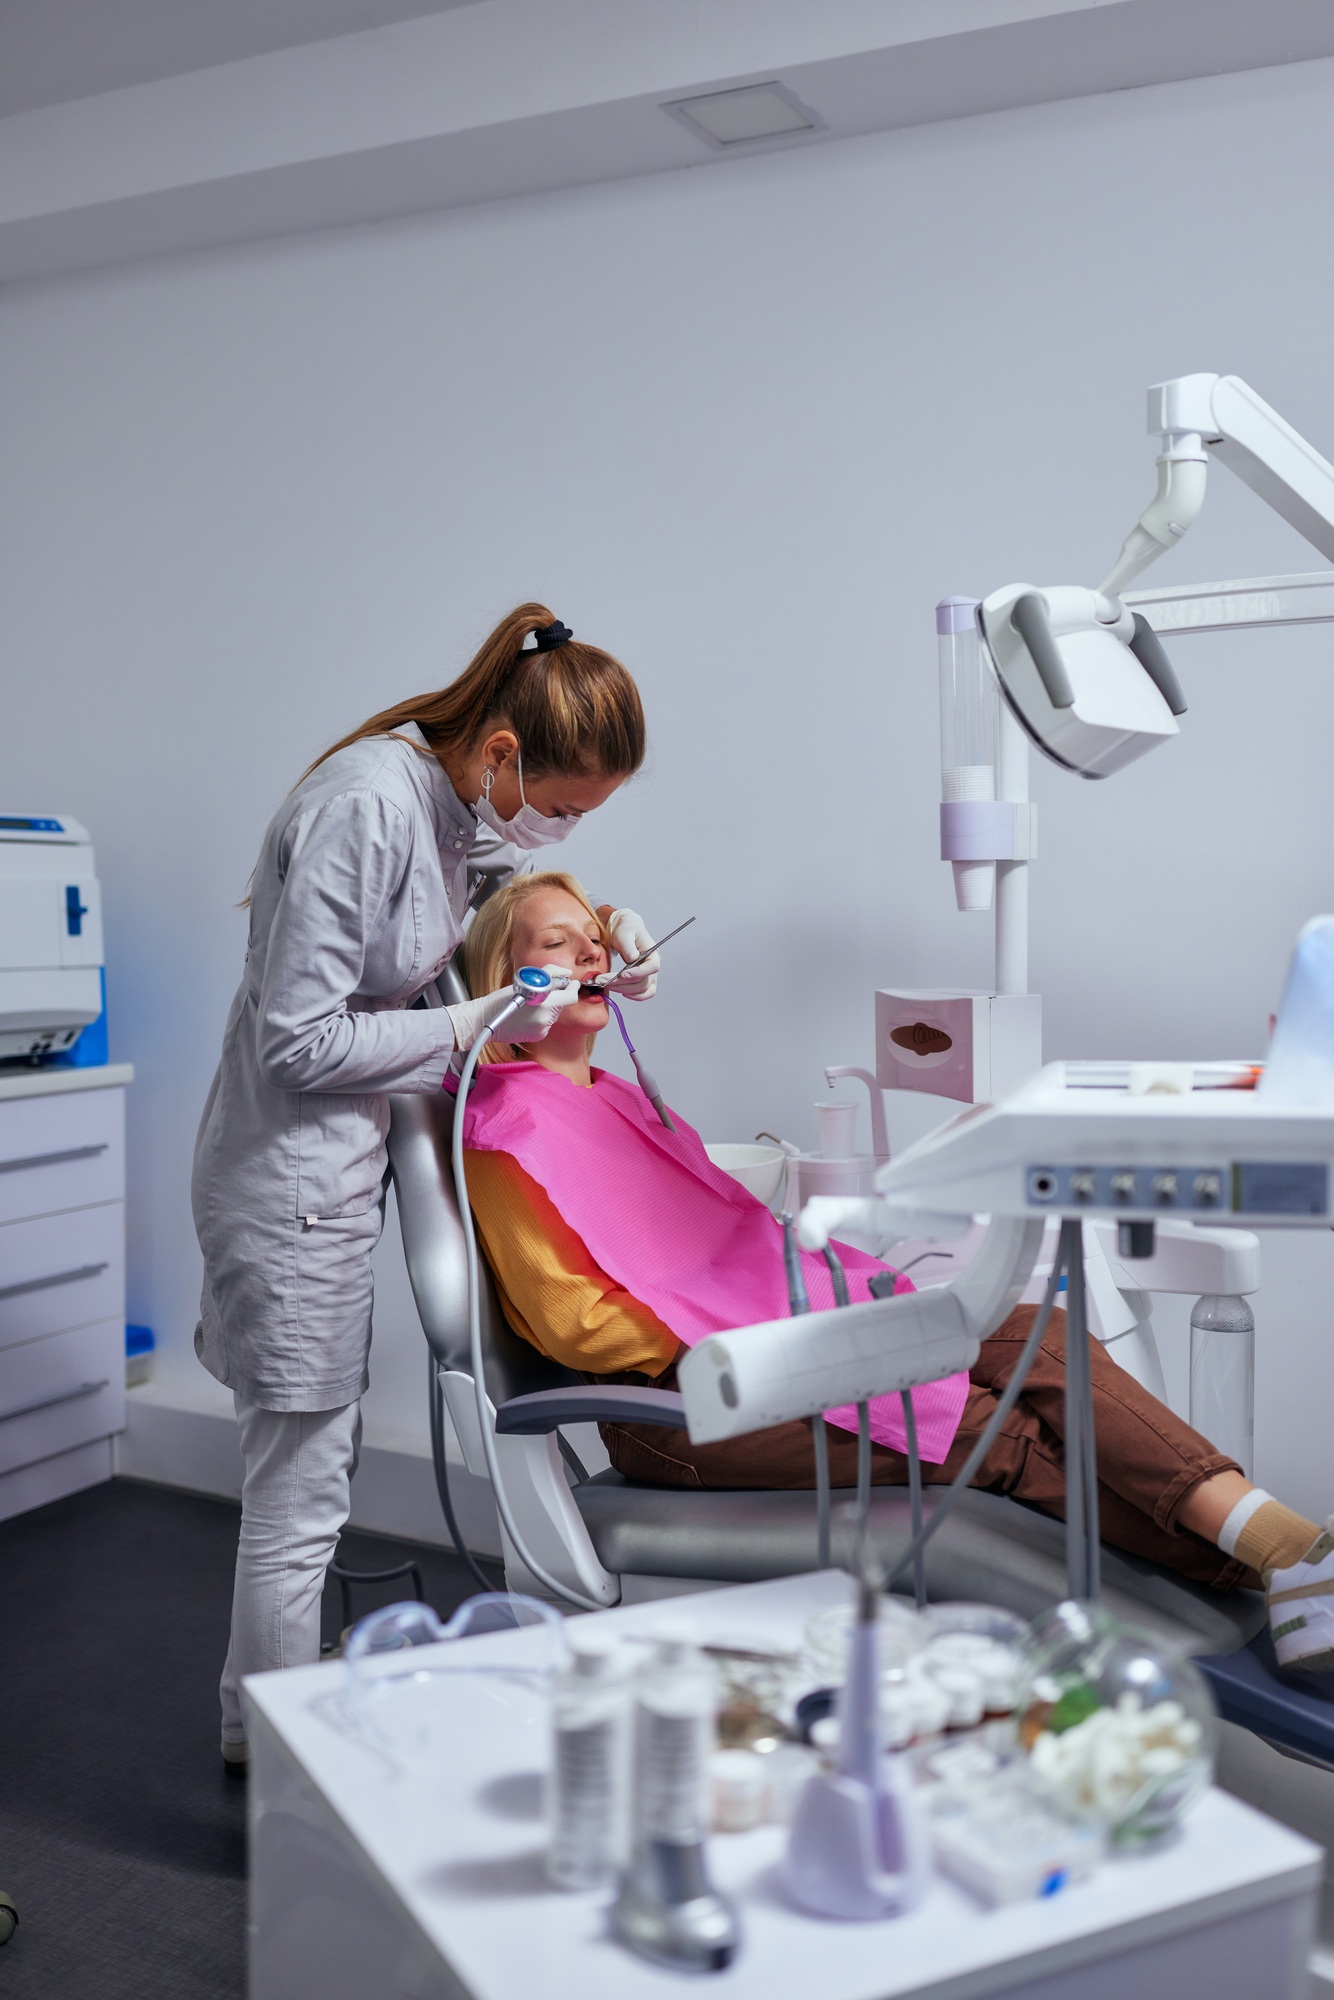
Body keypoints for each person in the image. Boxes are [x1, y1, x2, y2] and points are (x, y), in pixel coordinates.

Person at [459, 872, 1334, 1675]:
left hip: (773, 1352)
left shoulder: (618, 1096)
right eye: (555, 942)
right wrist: (755, 1326)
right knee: (1003, 1435)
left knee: (1041, 1332)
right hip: (686, 1409)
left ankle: (1292, 1557)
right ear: (506, 980)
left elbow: (711, 1241)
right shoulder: (507, 1131)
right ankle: (1281, 1571)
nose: (590, 952)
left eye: (594, 936)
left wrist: (782, 1305)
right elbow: (567, 1322)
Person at [193, 604, 659, 1771]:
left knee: (312, 1476)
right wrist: (478, 1018)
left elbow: (519, 887)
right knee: (299, 1490)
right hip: (288, 1176)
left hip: (347, 1151)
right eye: (559, 802)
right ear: (501, 753)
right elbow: (296, 1044)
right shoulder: (367, 804)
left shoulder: (457, 807)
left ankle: (276, 1729)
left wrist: (606, 930)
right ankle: (269, 1760)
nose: (554, 827)